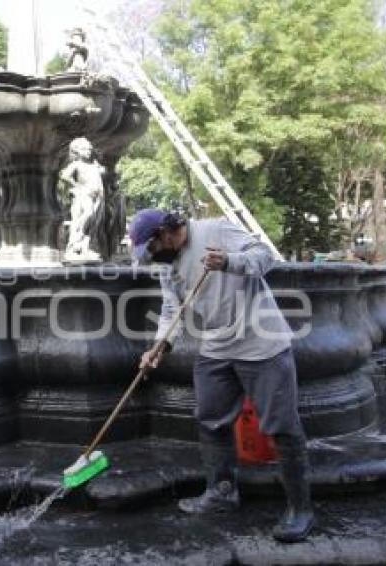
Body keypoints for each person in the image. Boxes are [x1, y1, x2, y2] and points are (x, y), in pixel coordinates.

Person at [128, 209, 313, 543]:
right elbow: (173, 309)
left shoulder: (215, 230)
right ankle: (221, 493)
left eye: (152, 249)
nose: (154, 259)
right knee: (211, 419)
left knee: (282, 426)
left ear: (164, 233)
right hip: (216, 346)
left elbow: (264, 257)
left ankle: (300, 508)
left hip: (262, 342)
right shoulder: (168, 267)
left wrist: (229, 262)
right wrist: (160, 345)